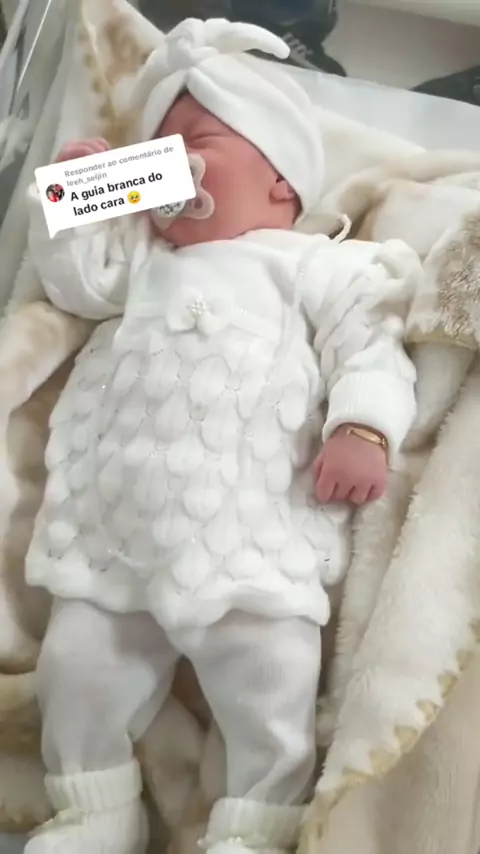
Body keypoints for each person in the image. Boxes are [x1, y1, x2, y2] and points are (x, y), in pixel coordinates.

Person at [24, 17, 421, 854]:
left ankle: (254, 824)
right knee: (75, 667)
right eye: (159, 154)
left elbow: (371, 338)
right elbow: (75, 285)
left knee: (274, 677)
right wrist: (74, 205)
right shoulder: (143, 265)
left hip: (250, 533)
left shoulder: (311, 262)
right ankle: (93, 809)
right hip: (118, 531)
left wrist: (363, 425)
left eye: (197, 147)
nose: (176, 169)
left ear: (281, 180)